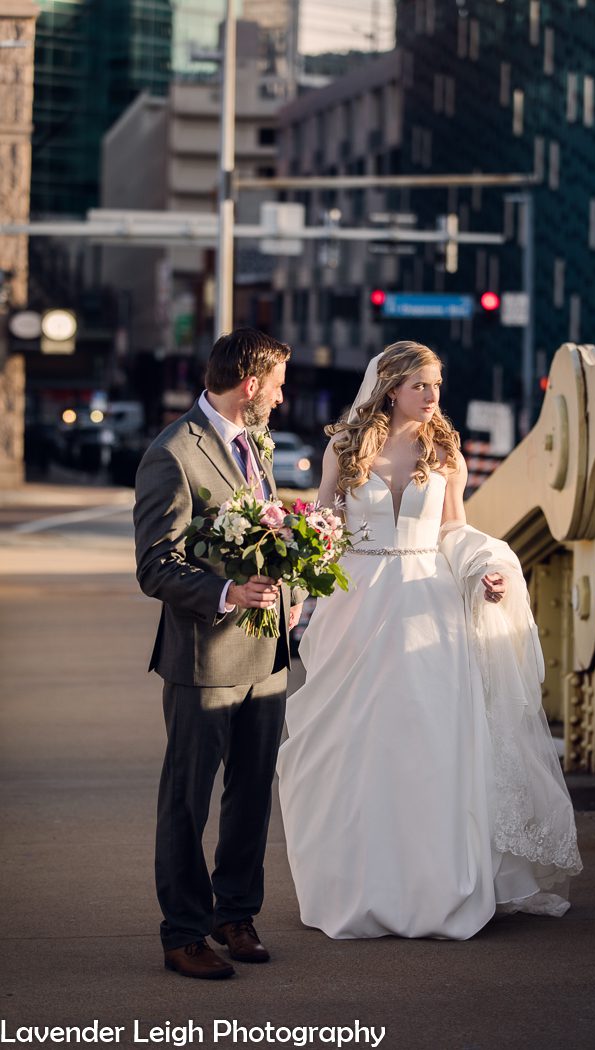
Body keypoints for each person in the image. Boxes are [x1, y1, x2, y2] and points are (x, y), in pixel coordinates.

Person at [277, 340, 582, 940]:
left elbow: (453, 530)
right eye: (421, 385)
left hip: (428, 602)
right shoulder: (343, 447)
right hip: (355, 604)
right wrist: (296, 589)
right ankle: (353, 886)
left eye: (437, 385)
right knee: (351, 745)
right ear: (391, 387)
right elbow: (325, 530)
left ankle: (435, 889)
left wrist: (482, 573)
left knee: (430, 742)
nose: (433, 396)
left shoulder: (443, 451)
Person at [134, 328, 305, 978]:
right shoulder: (172, 453)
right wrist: (229, 591)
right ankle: (183, 934)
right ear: (251, 384)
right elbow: (156, 567)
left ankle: (234, 915)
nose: (284, 398)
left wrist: (294, 572)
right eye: (280, 384)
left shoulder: (253, 443)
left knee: (253, 793)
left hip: (265, 655)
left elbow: (260, 531)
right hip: (203, 659)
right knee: (187, 799)